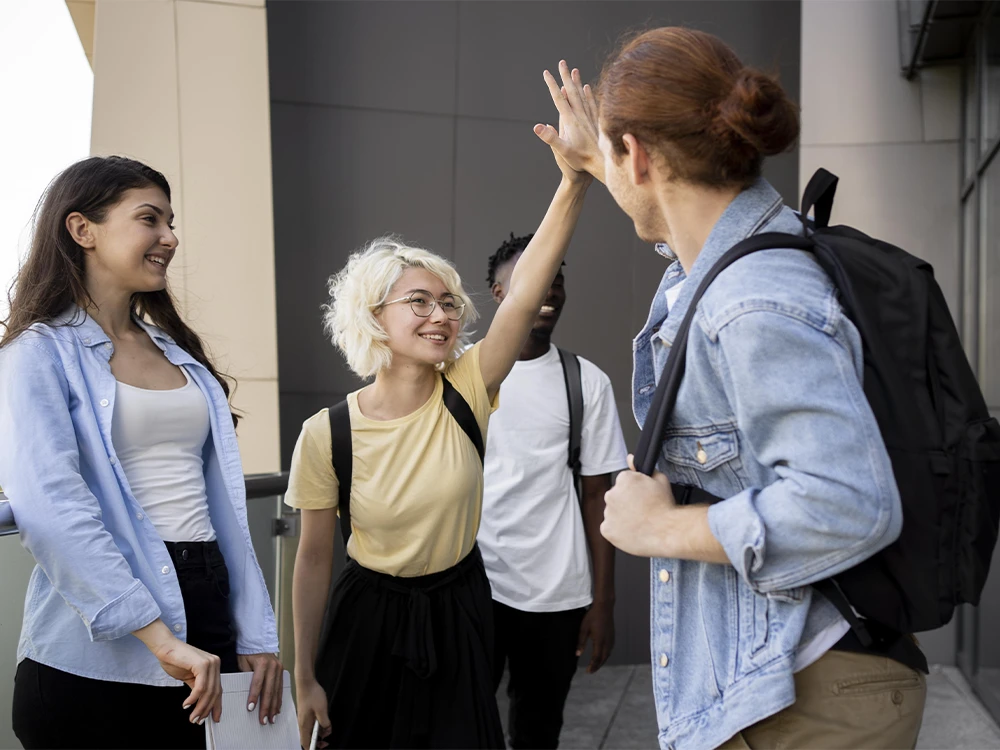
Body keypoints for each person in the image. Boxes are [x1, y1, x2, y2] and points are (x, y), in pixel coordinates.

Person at [534, 29, 928, 750]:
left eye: (622, 156)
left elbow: (850, 503)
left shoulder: (752, 300)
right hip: (785, 683)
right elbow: (689, 246)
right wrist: (598, 159)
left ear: (643, 157)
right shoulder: (737, 256)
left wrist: (662, 530)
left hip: (807, 699)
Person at [287, 68, 592, 750]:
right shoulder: (326, 433)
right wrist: (302, 675)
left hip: (458, 612)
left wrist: (573, 180)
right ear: (374, 317)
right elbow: (311, 562)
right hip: (366, 619)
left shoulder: (469, 387)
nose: (441, 315)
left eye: (448, 302)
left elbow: (522, 295)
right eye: (418, 302)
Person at [0, 156, 283, 750]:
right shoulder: (38, 353)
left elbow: (220, 510)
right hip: (101, 634)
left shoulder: (176, 353)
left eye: (172, 222)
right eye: (149, 219)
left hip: (207, 596)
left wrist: (255, 632)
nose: (170, 238)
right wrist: (158, 637)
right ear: (83, 230)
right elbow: (52, 507)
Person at [480, 233, 627, 748]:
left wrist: (603, 601)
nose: (547, 288)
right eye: (532, 278)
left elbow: (598, 496)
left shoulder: (587, 381)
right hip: (474, 586)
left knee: (538, 729)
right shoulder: (462, 374)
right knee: (467, 723)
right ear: (499, 295)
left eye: (556, 278)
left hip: (557, 594)